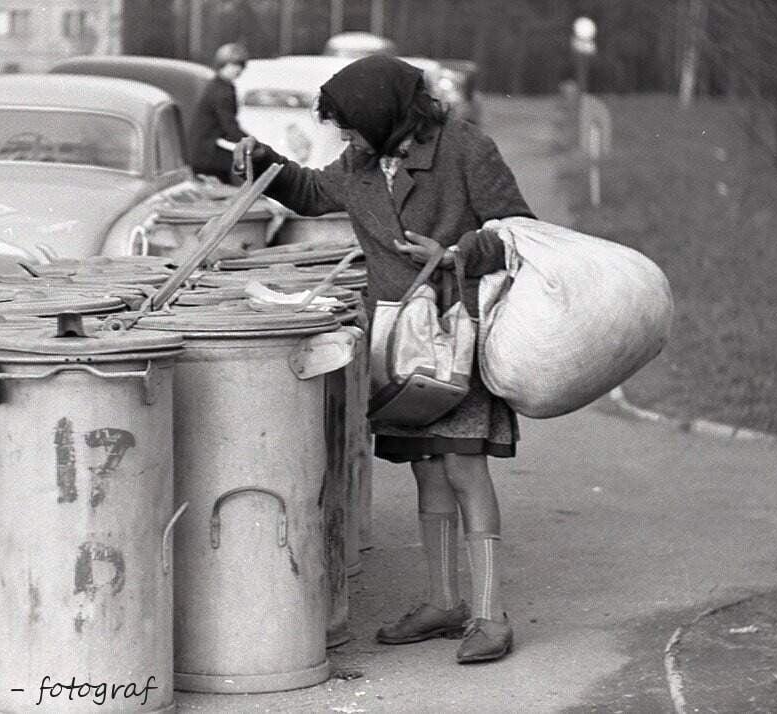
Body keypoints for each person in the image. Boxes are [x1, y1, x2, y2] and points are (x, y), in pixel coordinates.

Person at [234, 55, 534, 664]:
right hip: (397, 344)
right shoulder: (364, 163)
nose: (344, 137)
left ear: (382, 113)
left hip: (455, 335)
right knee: (427, 466)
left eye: (350, 124)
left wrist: (455, 253)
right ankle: (444, 601)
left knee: (464, 468)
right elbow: (313, 192)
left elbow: (520, 232)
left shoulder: (466, 149)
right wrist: (264, 162)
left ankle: (490, 614)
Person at [188, 43, 250, 183]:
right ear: (223, 64)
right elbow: (229, 126)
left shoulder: (218, 85)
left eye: (240, 65)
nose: (238, 69)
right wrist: (251, 143)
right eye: (234, 65)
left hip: (202, 150)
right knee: (241, 170)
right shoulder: (222, 91)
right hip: (207, 153)